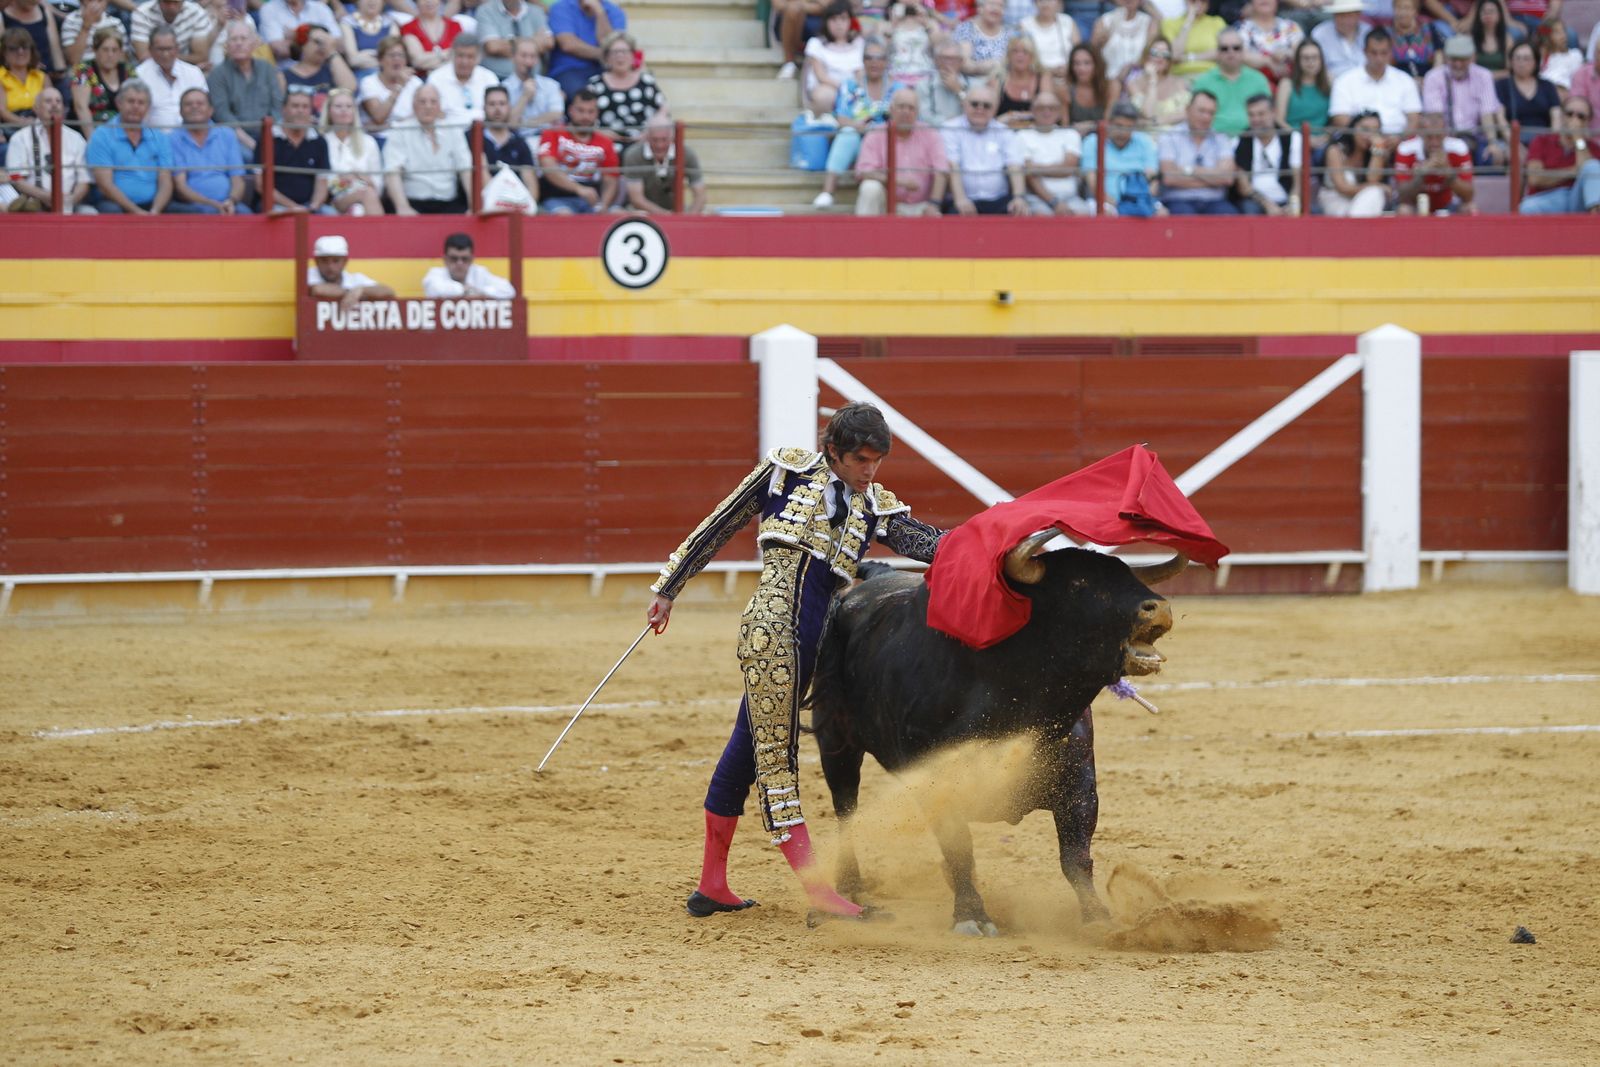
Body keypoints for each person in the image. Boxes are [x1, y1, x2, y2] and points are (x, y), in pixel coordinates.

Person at [649, 402, 946, 924]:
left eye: (877, 460)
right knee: (777, 757)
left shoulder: (872, 503)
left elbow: (924, 542)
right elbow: (717, 526)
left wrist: (986, 543)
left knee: (746, 749)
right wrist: (668, 590)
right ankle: (818, 892)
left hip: (812, 640)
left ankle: (711, 886)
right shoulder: (786, 472)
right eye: (860, 459)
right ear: (833, 450)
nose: (869, 470)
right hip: (773, 632)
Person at [813, 36, 899, 207]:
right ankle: (827, 191)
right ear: (862, 61)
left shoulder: (897, 88)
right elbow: (841, 117)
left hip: (886, 142)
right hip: (858, 138)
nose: (874, 63)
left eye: (879, 58)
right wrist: (857, 125)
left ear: (886, 62)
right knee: (848, 133)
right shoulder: (851, 85)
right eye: (869, 58)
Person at [855, 84, 948, 214]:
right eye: (901, 107)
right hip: (886, 205)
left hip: (921, 206)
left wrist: (934, 203)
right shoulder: (875, 134)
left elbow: (941, 171)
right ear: (891, 110)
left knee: (935, 215)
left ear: (917, 112)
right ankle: (865, 233)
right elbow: (864, 172)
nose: (906, 112)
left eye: (911, 108)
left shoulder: (930, 134)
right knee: (869, 188)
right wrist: (899, 181)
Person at [1, 86, 94, 212]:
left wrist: (71, 200)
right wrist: (44, 196)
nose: (54, 105)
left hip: (70, 204)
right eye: (48, 101)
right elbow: (17, 179)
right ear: (36, 108)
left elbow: (84, 180)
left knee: (89, 213)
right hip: (32, 205)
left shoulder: (76, 138)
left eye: (58, 101)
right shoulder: (20, 138)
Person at [87, 79, 173, 213]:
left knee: (188, 213)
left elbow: (166, 181)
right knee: (111, 211)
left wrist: (155, 211)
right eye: (131, 101)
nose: (136, 106)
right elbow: (105, 185)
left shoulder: (159, 137)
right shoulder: (101, 135)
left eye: (141, 103)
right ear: (119, 103)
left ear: (148, 107)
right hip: (114, 203)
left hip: (153, 206)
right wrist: (137, 212)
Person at [941, 81, 1028, 213]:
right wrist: (960, 199)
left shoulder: (1004, 131)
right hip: (962, 199)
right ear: (964, 104)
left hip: (999, 200)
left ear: (995, 109)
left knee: (1021, 213)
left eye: (986, 106)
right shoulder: (950, 128)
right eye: (974, 104)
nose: (980, 109)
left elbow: (1014, 164)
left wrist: (1019, 197)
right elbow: (953, 165)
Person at [384, 83, 472, 212]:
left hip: (449, 203)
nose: (428, 106)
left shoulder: (453, 130)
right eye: (422, 102)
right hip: (413, 203)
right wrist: (402, 207)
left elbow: (466, 170)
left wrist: (473, 205)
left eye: (433, 102)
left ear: (439, 106)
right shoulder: (400, 130)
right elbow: (392, 171)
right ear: (414, 105)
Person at [1422, 35, 1509, 162]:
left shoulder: (1483, 75)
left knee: (1493, 156)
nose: (1458, 64)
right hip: (1446, 138)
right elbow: (1436, 117)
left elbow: (1487, 113)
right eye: (1454, 59)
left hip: (1475, 137)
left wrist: (1492, 142)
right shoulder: (1433, 77)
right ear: (1446, 58)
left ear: (1472, 58)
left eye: (1463, 60)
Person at [168, 84, 250, 212]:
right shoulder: (173, 138)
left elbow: (237, 179)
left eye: (200, 103)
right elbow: (180, 186)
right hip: (192, 205)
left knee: (246, 214)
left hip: (228, 202)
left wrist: (231, 201)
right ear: (180, 111)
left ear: (211, 110)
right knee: (208, 212)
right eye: (188, 104)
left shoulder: (226, 134)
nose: (194, 107)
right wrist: (212, 204)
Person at [535, 86, 616, 212]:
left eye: (590, 112)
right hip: (556, 198)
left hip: (592, 202)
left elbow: (611, 179)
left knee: (620, 215)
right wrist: (579, 189)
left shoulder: (605, 142)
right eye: (581, 110)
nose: (585, 116)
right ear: (571, 110)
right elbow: (548, 168)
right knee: (564, 215)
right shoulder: (552, 133)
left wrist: (604, 205)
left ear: (597, 113)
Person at [1157, 88, 1238, 213]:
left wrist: (1189, 170)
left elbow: (1227, 178)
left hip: (1215, 201)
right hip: (1178, 200)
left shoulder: (1221, 138)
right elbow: (1169, 178)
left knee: (1230, 216)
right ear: (1187, 110)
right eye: (1201, 111)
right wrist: (1213, 178)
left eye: (1211, 113)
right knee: (1184, 217)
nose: (1206, 117)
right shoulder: (1170, 136)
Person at [207, 22, 282, 155]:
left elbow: (277, 106)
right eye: (234, 39)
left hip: (269, 132)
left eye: (243, 38)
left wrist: (268, 138)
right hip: (236, 137)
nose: (239, 43)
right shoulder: (217, 74)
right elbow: (221, 114)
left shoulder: (267, 69)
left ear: (253, 44)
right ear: (227, 45)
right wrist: (252, 144)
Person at [1330, 28, 1422, 135]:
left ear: (1390, 52)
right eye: (1374, 53)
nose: (1379, 59)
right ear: (1364, 51)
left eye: (1384, 53)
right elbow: (1340, 118)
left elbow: (1414, 118)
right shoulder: (1345, 81)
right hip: (1359, 144)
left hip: (1398, 143)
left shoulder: (1405, 80)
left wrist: (1399, 139)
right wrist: (1367, 138)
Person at [1082, 98, 1165, 214]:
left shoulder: (1145, 142)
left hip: (1140, 201)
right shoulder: (1092, 142)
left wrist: (1136, 203)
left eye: (1128, 127)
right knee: (1106, 213)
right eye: (1119, 125)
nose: (1123, 132)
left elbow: (1153, 182)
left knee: (1162, 214)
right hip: (1104, 202)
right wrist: (1120, 206)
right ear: (1109, 123)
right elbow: (1093, 183)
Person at [255, 85, 330, 211]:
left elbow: (322, 182)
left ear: (311, 111)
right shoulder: (267, 138)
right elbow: (260, 184)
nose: (300, 111)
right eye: (295, 106)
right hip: (275, 205)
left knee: (330, 214)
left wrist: (313, 207)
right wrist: (294, 208)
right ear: (283, 109)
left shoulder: (319, 141)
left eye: (305, 107)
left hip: (309, 206)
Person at [1518, 94, 1598, 211]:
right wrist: (1572, 171)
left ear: (1588, 122)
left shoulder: (1593, 148)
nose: (1574, 120)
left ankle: (1595, 225)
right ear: (1562, 116)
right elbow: (1535, 179)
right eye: (1569, 114)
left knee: (1593, 166)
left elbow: (1587, 169)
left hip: (1577, 200)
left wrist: (1578, 138)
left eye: (1581, 116)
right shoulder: (1541, 141)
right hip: (1546, 198)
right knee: (1527, 208)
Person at [1018, 88, 1093, 213]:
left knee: (1084, 214)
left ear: (1059, 112)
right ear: (1032, 110)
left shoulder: (1070, 134)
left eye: (1052, 108)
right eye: (1041, 108)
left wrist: (1035, 169)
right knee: (1041, 216)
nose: (1046, 112)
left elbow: (1069, 168)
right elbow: (1029, 178)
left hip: (1071, 198)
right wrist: (1054, 202)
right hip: (1036, 199)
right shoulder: (1022, 136)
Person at [584, 30, 664, 143]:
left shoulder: (646, 81)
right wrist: (599, 133)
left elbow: (663, 111)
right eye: (615, 52)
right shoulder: (594, 85)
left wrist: (650, 133)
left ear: (633, 56)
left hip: (643, 143)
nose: (620, 56)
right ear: (606, 57)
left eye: (624, 52)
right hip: (606, 144)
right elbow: (584, 118)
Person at [1191, 27, 1272, 134]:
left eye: (1236, 48)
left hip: (1250, 139)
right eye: (1224, 48)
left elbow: (1268, 114)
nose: (1231, 52)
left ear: (1243, 51)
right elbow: (1195, 116)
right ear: (1217, 53)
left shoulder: (1258, 79)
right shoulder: (1203, 81)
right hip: (1214, 140)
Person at [622, 112, 707, 213]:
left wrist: (689, 219)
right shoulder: (633, 155)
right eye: (655, 140)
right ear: (647, 137)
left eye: (664, 139)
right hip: (642, 213)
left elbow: (700, 196)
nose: (659, 145)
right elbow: (637, 199)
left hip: (676, 212)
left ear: (672, 138)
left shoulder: (686, 154)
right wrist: (666, 217)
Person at [1393, 109, 1475, 212]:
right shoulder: (1406, 149)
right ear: (1420, 135)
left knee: (1470, 208)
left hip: (1449, 204)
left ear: (1445, 134)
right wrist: (1421, 175)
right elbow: (1402, 197)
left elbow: (1469, 196)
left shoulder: (1458, 148)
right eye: (1429, 137)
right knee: (1404, 210)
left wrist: (1449, 173)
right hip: (1415, 206)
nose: (1434, 143)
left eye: (1439, 137)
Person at [1232, 91, 1300, 212]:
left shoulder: (1292, 138)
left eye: (1261, 114)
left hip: (1287, 199)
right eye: (1251, 115)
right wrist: (1267, 204)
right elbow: (1243, 186)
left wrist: (1292, 205)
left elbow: (1299, 181)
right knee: (1248, 209)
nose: (1256, 119)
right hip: (1255, 201)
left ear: (1273, 113)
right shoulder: (1240, 141)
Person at [321, 85, 383, 214]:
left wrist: (360, 177)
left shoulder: (369, 142)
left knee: (361, 205)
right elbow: (322, 180)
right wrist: (346, 179)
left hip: (365, 196)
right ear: (329, 111)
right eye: (338, 106)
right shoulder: (321, 141)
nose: (344, 110)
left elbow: (378, 183)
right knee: (365, 195)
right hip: (333, 198)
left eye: (349, 106)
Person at [546, 0, 626, 98]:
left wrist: (600, 13)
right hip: (568, 70)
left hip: (604, 69)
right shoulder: (561, 7)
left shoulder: (615, 12)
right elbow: (569, 45)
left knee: (617, 95)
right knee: (585, 97)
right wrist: (604, 54)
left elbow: (609, 44)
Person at [1318, 108, 1390, 214]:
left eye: (1375, 131)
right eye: (1365, 129)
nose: (1370, 135)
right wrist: (1376, 187)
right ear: (1353, 129)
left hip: (1361, 204)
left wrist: (1377, 150)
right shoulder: (1336, 150)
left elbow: (1372, 180)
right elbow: (1343, 187)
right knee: (1374, 191)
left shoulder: (1377, 153)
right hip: (1336, 200)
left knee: (1375, 193)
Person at [132, 25, 206, 129]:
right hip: (154, 139)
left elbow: (204, 108)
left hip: (191, 137)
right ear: (150, 50)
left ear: (177, 48)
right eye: (160, 49)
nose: (165, 54)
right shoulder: (139, 75)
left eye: (169, 49)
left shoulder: (193, 73)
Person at [803, 1, 863, 116]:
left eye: (843, 19)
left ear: (850, 21)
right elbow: (821, 76)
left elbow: (860, 73)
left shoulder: (859, 44)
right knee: (823, 96)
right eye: (833, 19)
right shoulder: (816, 44)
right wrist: (844, 88)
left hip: (855, 90)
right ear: (826, 22)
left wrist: (853, 89)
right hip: (828, 88)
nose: (838, 24)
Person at [306, 233, 395, 310]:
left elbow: (388, 291)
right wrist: (351, 293)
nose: (330, 266)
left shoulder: (354, 278)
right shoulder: (309, 275)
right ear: (316, 261)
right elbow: (318, 290)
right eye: (324, 261)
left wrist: (361, 290)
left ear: (345, 261)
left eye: (336, 261)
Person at [427, 31, 498, 124]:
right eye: (460, 56)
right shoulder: (436, 78)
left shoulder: (489, 78)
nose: (464, 62)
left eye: (470, 57)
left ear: (478, 58)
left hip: (482, 132)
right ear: (452, 55)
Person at [282, 23, 355, 113]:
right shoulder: (283, 75)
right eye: (318, 42)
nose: (322, 47)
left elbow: (348, 88)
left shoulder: (333, 72)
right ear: (303, 44)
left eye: (326, 43)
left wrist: (331, 51)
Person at [421, 232, 517, 298]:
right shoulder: (435, 274)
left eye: (464, 259)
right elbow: (434, 289)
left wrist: (481, 292)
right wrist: (466, 291)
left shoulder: (480, 273)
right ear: (445, 259)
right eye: (454, 259)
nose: (459, 263)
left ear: (472, 259)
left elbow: (508, 290)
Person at [479, 83, 536, 192]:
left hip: (519, 203)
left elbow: (531, 185)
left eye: (502, 104)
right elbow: (482, 180)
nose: (497, 109)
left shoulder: (520, 142)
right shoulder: (473, 138)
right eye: (492, 104)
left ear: (509, 107)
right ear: (484, 108)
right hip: (486, 203)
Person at [1496, 39, 1561, 135]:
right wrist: (1514, 144)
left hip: (1543, 141)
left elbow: (1556, 118)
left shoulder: (1547, 86)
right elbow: (1500, 119)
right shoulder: (1502, 85)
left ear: (1535, 62)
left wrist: (1550, 143)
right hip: (1512, 141)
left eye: (1526, 59)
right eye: (1517, 58)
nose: (1521, 63)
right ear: (1511, 61)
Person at [503, 35, 563, 137]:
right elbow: (510, 124)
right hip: (518, 140)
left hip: (547, 139)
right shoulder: (504, 88)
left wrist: (525, 123)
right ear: (513, 58)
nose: (528, 62)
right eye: (524, 56)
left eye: (533, 56)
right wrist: (525, 97)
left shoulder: (551, 85)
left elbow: (557, 114)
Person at [475, 0, 550, 82]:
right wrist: (532, 42)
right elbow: (493, 47)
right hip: (498, 78)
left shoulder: (536, 11)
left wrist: (507, 43)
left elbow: (549, 43)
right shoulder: (486, 10)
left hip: (534, 77)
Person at [71, 25, 130, 128]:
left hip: (123, 132)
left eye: (115, 50)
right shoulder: (84, 70)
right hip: (93, 131)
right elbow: (81, 108)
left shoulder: (128, 71)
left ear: (120, 52)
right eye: (105, 50)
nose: (110, 54)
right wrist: (93, 141)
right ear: (95, 50)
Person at [1126, 36, 1191, 128]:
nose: (1160, 58)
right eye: (1155, 53)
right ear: (1146, 56)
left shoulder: (1179, 82)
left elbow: (1188, 113)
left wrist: (1157, 121)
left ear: (1169, 59)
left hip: (1174, 138)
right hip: (1146, 138)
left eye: (1165, 54)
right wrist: (1152, 80)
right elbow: (1148, 113)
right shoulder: (1134, 84)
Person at [358, 35, 421, 130]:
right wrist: (399, 86)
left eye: (401, 55)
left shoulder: (415, 82)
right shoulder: (369, 82)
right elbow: (379, 117)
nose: (397, 59)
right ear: (380, 60)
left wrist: (391, 125)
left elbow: (423, 115)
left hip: (411, 135)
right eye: (392, 55)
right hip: (381, 139)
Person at [129, 0, 214, 67]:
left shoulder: (196, 12)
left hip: (184, 68)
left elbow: (201, 56)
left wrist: (167, 57)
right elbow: (144, 57)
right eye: (167, 2)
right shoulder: (142, 13)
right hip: (147, 69)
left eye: (175, 2)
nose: (171, 7)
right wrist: (174, 57)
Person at [1236, 0, 1302, 84]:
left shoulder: (1291, 26)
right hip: (1254, 84)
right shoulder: (1241, 28)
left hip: (1291, 81)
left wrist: (1287, 53)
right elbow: (1240, 55)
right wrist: (1267, 61)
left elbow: (1302, 53)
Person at [1061, 42, 1119, 133]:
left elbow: (1109, 121)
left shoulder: (1111, 86)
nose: (1081, 68)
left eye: (1087, 63)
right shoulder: (1066, 90)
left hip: (1103, 138)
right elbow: (1065, 127)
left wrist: (1089, 126)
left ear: (1097, 65)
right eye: (1076, 63)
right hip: (1075, 139)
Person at [1092, 0, 1156, 83]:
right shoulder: (1104, 21)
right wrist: (1101, 42)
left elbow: (1151, 54)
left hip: (1138, 79)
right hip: (1108, 79)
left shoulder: (1149, 23)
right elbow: (1092, 54)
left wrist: (1130, 68)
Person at [1276, 37, 1330, 134]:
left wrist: (1327, 137)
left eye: (1315, 57)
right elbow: (1279, 120)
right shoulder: (1286, 84)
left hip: (1323, 143)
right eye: (1305, 58)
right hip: (1294, 140)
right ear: (1298, 61)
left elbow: (1334, 120)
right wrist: (1302, 139)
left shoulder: (1330, 82)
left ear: (1321, 60)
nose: (1310, 62)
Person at [257, 0, 340, 62]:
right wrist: (319, 41)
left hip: (323, 66)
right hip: (286, 71)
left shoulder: (320, 8)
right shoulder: (269, 9)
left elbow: (338, 43)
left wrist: (294, 35)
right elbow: (279, 49)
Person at [1020, 0, 1082, 80]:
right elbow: (1022, 56)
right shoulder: (1025, 25)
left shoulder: (1068, 21)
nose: (1045, 3)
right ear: (1034, 3)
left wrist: (1069, 68)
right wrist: (1049, 71)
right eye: (1041, 1)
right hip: (1036, 77)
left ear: (1059, 2)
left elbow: (1079, 52)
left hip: (1065, 76)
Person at [1310, 0, 1371, 81]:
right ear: (1334, 15)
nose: (1345, 20)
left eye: (1349, 15)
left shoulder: (1368, 32)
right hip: (1330, 84)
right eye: (1341, 15)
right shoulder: (1320, 34)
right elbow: (1315, 66)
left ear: (1358, 15)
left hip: (1367, 83)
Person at [772, 0, 832, 82]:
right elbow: (778, 5)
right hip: (787, 21)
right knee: (792, 11)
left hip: (818, 21)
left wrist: (800, 6)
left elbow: (825, 5)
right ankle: (789, 63)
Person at [1164, 0, 1226, 79]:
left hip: (1210, 76)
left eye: (1203, 1)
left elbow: (1223, 51)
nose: (1198, 4)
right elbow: (1175, 55)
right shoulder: (1170, 23)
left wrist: (1188, 57)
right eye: (1193, 1)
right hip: (1180, 76)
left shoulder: (1217, 22)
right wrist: (1189, 20)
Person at [0, 26, 47, 127]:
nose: (20, 52)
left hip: (41, 125)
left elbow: (51, 104)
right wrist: (23, 123)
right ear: (4, 53)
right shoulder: (0, 77)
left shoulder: (42, 76)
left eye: (25, 47)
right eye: (13, 48)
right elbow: (2, 111)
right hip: (11, 127)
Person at [884, 0, 938, 87]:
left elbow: (938, 48)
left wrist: (925, 22)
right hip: (896, 77)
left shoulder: (931, 24)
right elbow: (882, 51)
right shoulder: (887, 25)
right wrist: (893, 24)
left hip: (925, 77)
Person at [917, 39, 971, 125]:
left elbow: (975, 114)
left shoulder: (972, 84)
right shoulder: (924, 84)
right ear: (936, 61)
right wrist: (952, 124)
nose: (948, 63)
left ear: (961, 62)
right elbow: (925, 117)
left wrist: (959, 91)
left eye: (953, 59)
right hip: (934, 133)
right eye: (944, 59)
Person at [996, 34, 1046, 127]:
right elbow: (988, 113)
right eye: (1015, 51)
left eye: (1025, 52)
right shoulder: (997, 80)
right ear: (1008, 56)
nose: (1020, 55)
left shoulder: (1043, 78)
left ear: (1032, 56)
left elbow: (1048, 110)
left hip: (1036, 131)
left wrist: (1015, 116)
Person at [340, 0, 404, 73]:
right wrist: (383, 58)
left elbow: (396, 56)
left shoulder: (390, 23)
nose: (371, 1)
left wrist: (367, 54)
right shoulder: (348, 23)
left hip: (388, 75)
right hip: (362, 75)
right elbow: (353, 59)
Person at [401, 0, 464, 73]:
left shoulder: (455, 26)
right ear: (416, 2)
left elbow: (461, 56)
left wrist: (429, 58)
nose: (429, 1)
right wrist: (446, 54)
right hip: (423, 79)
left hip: (452, 76)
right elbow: (417, 61)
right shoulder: (409, 28)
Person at [954, 0, 1011, 77]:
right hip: (974, 82)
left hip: (1002, 82)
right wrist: (980, 67)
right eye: (992, 4)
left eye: (1001, 6)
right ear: (980, 7)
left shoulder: (1009, 32)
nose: (996, 9)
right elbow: (963, 63)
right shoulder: (966, 29)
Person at [60, 0, 122, 70]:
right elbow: (73, 61)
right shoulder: (70, 21)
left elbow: (121, 60)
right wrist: (85, 27)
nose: (95, 4)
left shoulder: (116, 23)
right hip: (81, 73)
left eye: (99, 0)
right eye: (90, 0)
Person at [1389, 0, 1442, 79]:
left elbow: (1439, 56)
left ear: (1415, 11)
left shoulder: (1428, 29)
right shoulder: (1388, 33)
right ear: (1393, 9)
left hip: (1427, 80)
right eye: (1399, 7)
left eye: (1407, 8)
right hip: (1398, 82)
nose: (1403, 12)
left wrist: (1430, 79)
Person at [1471, 0, 1513, 78]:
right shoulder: (1471, 38)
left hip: (1500, 82)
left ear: (1499, 15)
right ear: (1478, 15)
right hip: (1477, 83)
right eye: (1484, 12)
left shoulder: (1507, 39)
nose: (1488, 15)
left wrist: (1489, 76)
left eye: (1491, 11)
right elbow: (1469, 69)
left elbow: (1510, 70)